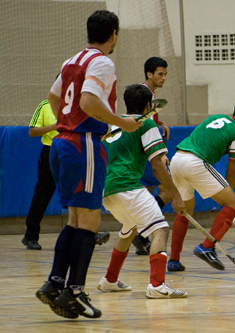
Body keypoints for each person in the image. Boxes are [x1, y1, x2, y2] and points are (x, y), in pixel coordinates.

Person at [35, 10, 140, 320]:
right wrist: (119, 123)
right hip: (83, 146)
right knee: (90, 222)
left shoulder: (72, 60)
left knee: (75, 219)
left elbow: (55, 98)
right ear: (114, 34)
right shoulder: (102, 62)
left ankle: (55, 283)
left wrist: (69, 122)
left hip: (61, 143)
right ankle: (76, 291)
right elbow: (89, 102)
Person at [98, 84, 187, 298]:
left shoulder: (114, 122)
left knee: (129, 229)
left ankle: (110, 280)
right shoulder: (146, 124)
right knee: (161, 229)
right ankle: (157, 286)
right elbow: (157, 166)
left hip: (108, 190)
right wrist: (176, 195)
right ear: (149, 105)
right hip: (128, 186)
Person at [167, 94, 235, 272]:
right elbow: (232, 169)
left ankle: (173, 260)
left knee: (185, 213)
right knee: (234, 203)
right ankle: (207, 246)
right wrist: (228, 202)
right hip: (195, 163)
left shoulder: (216, 117)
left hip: (177, 159)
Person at [23, 101, 110, 250]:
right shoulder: (44, 106)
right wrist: (54, 126)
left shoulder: (81, 105)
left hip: (74, 151)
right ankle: (30, 235)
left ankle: (87, 232)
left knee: (80, 193)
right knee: (42, 195)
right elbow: (32, 131)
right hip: (51, 151)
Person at [132, 56, 171, 255]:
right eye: (160, 74)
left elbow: (144, 119)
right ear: (149, 74)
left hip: (141, 152)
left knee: (146, 195)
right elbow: (141, 122)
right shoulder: (145, 94)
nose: (164, 78)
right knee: (168, 191)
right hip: (147, 152)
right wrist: (160, 153)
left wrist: (160, 122)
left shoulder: (146, 92)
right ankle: (139, 235)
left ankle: (142, 237)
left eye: (165, 74)